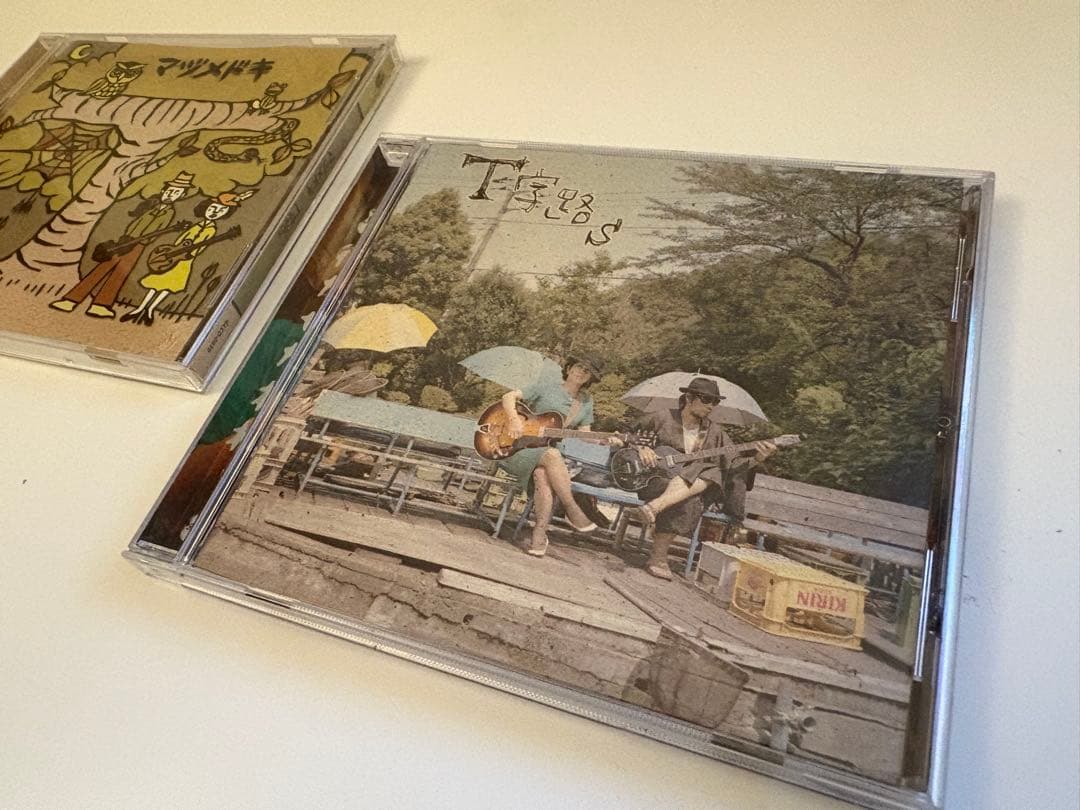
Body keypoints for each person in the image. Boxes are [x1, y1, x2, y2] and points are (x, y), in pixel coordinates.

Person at [631, 377, 776, 580]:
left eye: (715, 402)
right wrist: (641, 448)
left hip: (686, 490)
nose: (711, 406)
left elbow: (734, 464)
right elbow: (627, 437)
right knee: (699, 483)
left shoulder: (715, 432)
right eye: (706, 399)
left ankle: (656, 528)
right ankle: (658, 555)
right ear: (688, 398)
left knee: (707, 478)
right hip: (654, 480)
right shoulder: (661, 417)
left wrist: (758, 458)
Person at [499, 353, 606, 557]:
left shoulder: (586, 401)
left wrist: (605, 439)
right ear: (569, 368)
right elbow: (508, 397)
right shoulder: (546, 386)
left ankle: (539, 534)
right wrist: (513, 420)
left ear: (591, 378)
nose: (581, 372)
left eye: (587, 371)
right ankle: (572, 509)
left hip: (548, 455)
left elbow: (585, 433)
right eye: (579, 366)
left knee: (543, 473)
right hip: (519, 448)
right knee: (553, 456)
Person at [49, 171, 193, 318]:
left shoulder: (169, 212)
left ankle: (100, 305)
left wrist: (142, 240)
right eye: (170, 191)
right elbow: (135, 223)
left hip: (138, 245)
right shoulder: (151, 205)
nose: (171, 195)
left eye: (176, 193)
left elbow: (156, 230)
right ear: (163, 191)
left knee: (120, 274)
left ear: (181, 196)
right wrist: (127, 237)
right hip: (126, 240)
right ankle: (71, 300)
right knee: (102, 268)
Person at [122, 190, 249, 325]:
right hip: (174, 255)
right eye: (212, 208)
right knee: (155, 284)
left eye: (221, 211)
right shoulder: (196, 225)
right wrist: (174, 249)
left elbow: (202, 246)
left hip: (185, 261)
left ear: (225, 214)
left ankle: (150, 309)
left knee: (168, 287)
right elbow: (181, 239)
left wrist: (191, 253)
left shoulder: (211, 229)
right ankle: (140, 308)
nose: (215, 212)